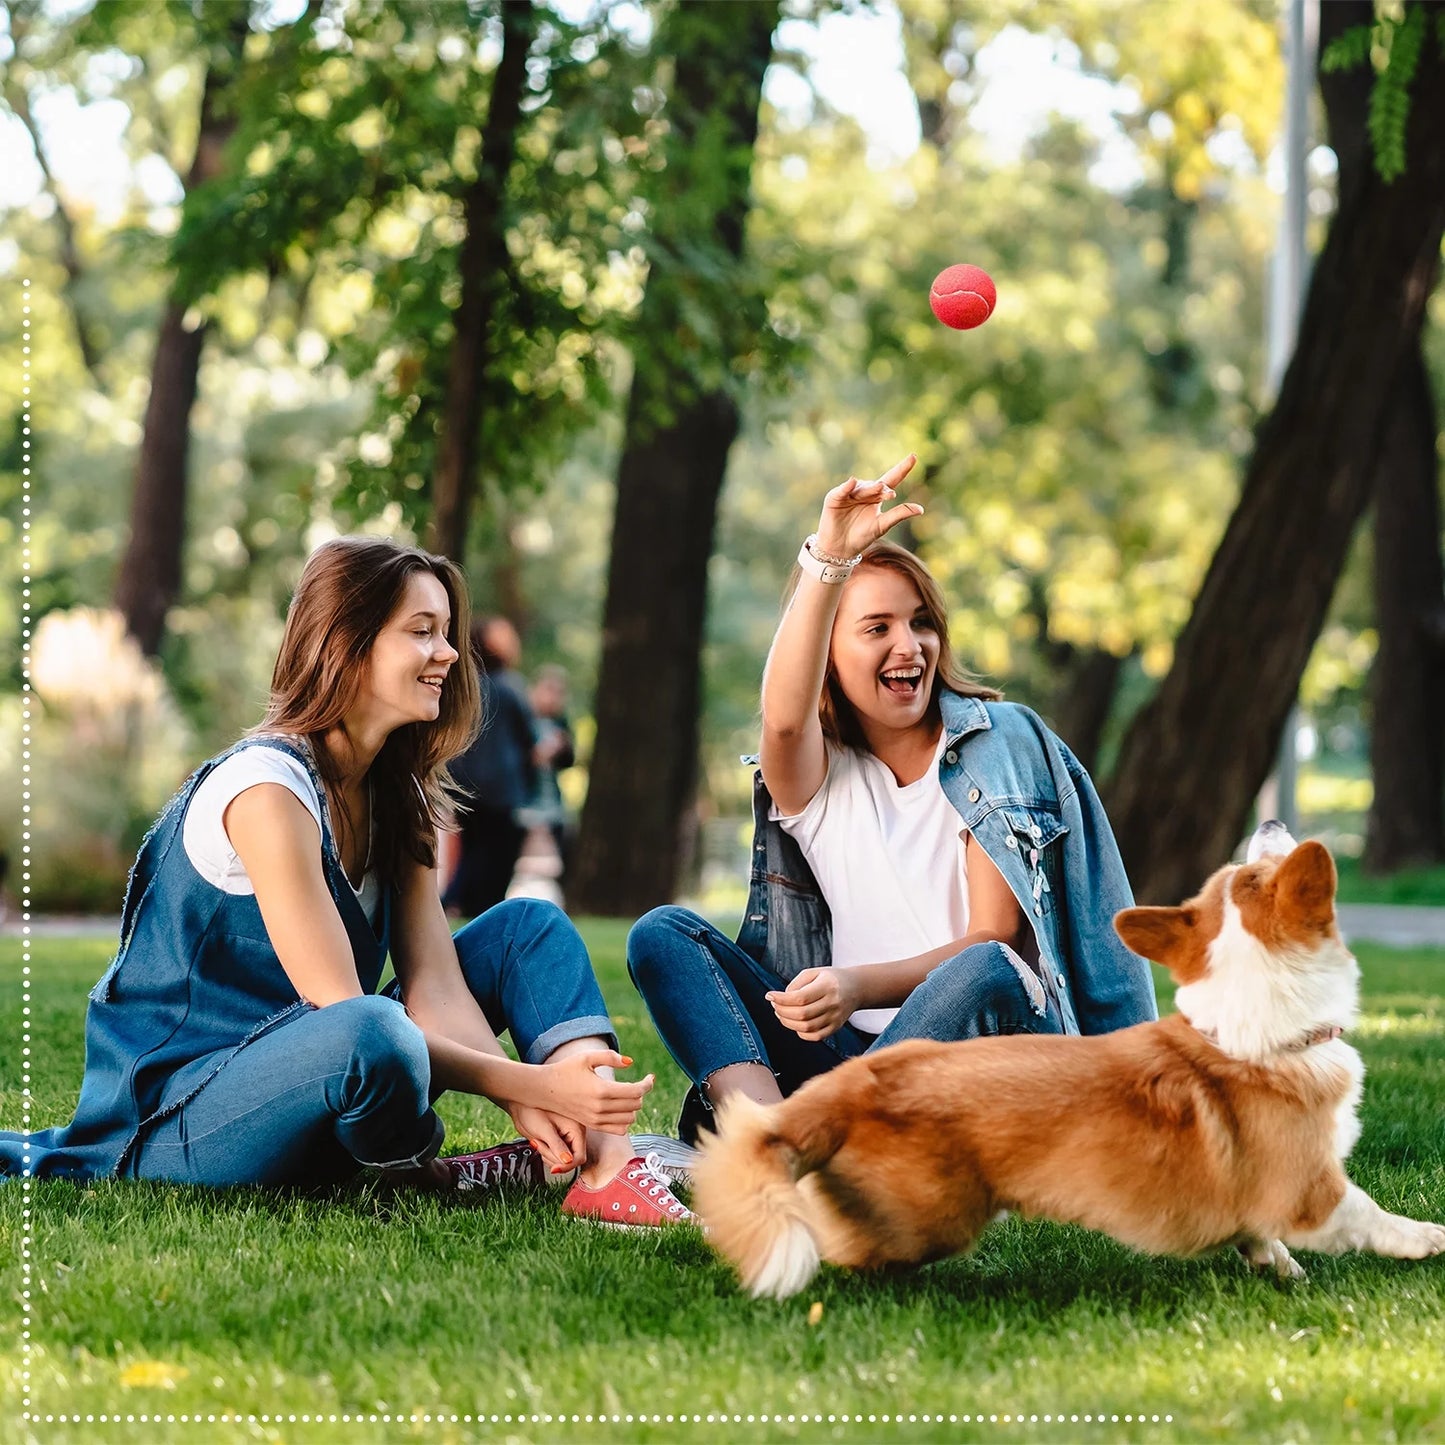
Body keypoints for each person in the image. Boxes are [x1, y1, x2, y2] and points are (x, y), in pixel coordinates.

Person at [1, 538, 690, 1229]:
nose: (449, 654)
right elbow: (340, 1012)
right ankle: (410, 1167)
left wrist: (534, 1105)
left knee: (527, 927)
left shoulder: (400, 794)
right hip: (178, 1115)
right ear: (347, 644)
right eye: (421, 632)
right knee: (371, 1028)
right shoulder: (265, 788)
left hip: (316, 1084)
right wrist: (531, 1082)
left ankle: (608, 1165)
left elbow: (438, 986)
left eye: (446, 633)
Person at [627, 455, 1158, 1156]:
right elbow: (783, 723)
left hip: (969, 1061)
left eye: (920, 623)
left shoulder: (994, 747)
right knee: (662, 933)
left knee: (987, 969)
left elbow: (992, 939)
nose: (908, 646)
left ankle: (824, 1147)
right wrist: (828, 560)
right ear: (829, 652)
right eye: (876, 628)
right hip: (845, 1064)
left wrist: (855, 984)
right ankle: (771, 1146)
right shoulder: (820, 779)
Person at [441, 617, 538, 919]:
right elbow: (528, 738)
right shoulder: (510, 688)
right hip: (501, 790)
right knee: (497, 859)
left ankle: (460, 904)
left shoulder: (464, 687)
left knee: (473, 853)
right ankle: (483, 912)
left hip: (464, 785)